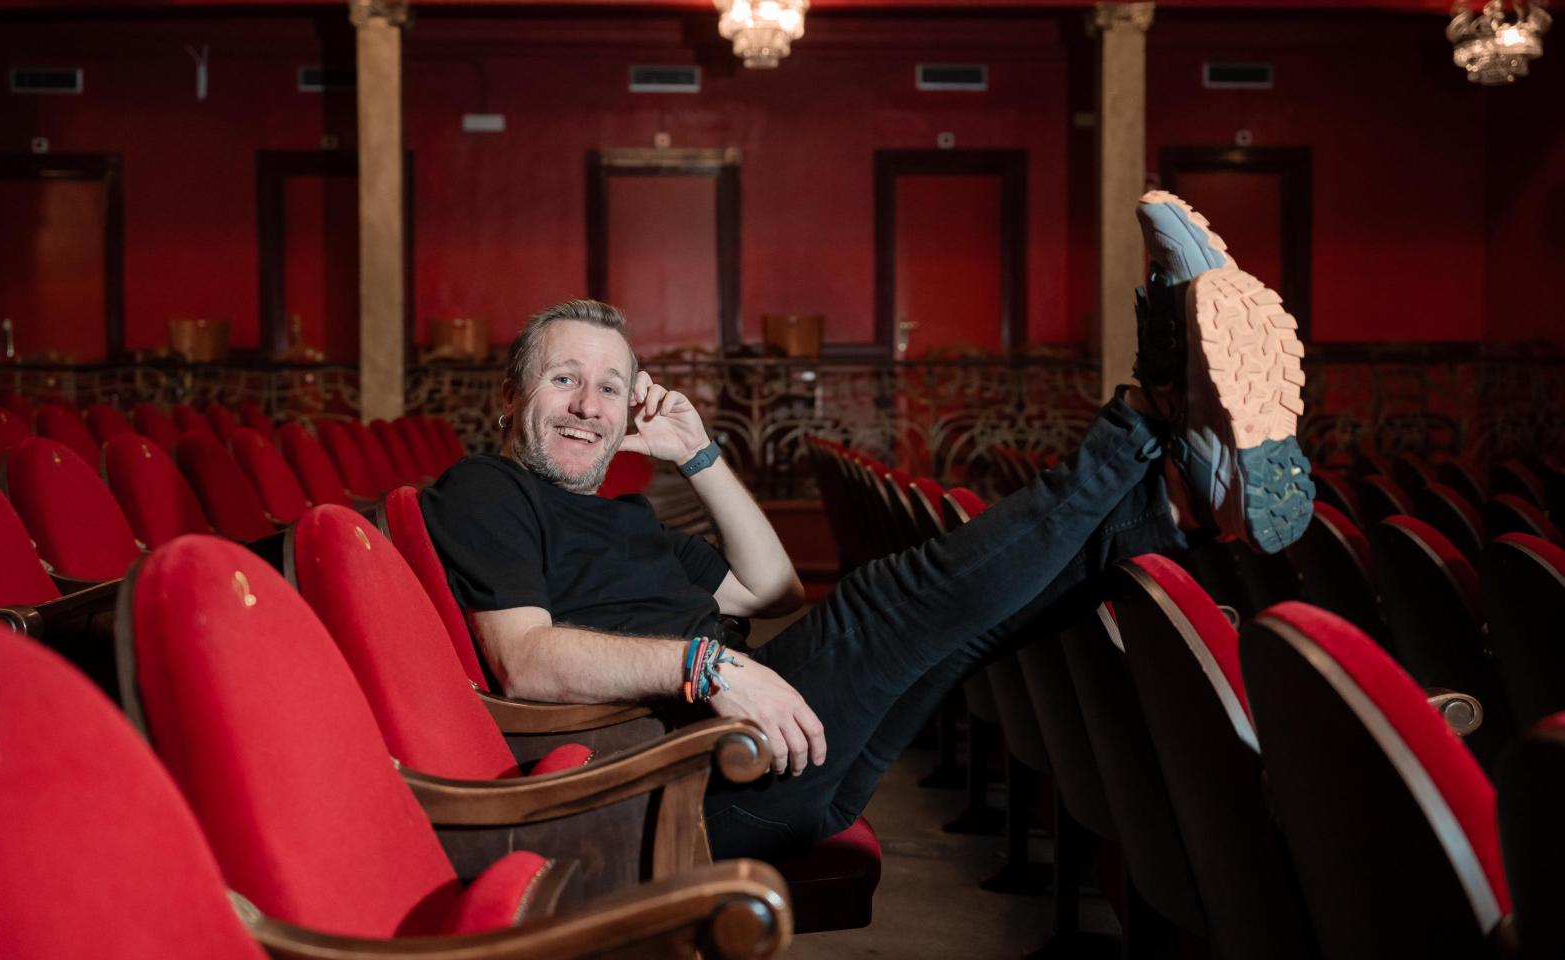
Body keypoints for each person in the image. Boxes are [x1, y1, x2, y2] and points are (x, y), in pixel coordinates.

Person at [422, 192, 1315, 860]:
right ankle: (1153, 408)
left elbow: (770, 587)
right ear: (511, 397)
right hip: (680, 781)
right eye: (563, 380)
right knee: (893, 600)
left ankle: (1172, 507)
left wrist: (699, 457)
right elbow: (525, 660)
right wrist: (705, 665)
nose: (589, 405)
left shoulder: (625, 520)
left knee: (972, 632)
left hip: (750, 746)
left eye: (610, 387)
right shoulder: (485, 491)